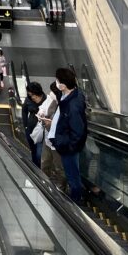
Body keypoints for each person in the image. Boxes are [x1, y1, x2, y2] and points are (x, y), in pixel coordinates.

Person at [50, 67, 88, 202]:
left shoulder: (73, 105)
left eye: (57, 80)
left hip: (69, 148)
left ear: (62, 85)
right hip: (66, 145)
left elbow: (77, 131)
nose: (55, 82)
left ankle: (76, 203)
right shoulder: (69, 96)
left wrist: (67, 146)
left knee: (73, 177)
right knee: (72, 175)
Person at [22, 82, 46, 167]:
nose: (31, 96)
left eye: (32, 94)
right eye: (29, 94)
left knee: (39, 153)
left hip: (40, 132)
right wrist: (25, 125)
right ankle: (35, 168)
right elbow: (24, 110)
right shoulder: (28, 99)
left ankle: (39, 170)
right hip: (30, 129)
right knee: (33, 151)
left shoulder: (46, 100)